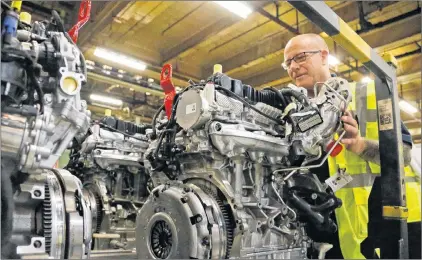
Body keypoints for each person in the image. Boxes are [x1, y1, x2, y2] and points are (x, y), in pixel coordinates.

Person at [282, 33, 421, 259]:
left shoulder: (368, 96)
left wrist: (358, 144)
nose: (293, 67)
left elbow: (403, 155)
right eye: (288, 62)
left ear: (324, 56)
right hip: (325, 234)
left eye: (300, 57)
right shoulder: (290, 115)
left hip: (384, 231)